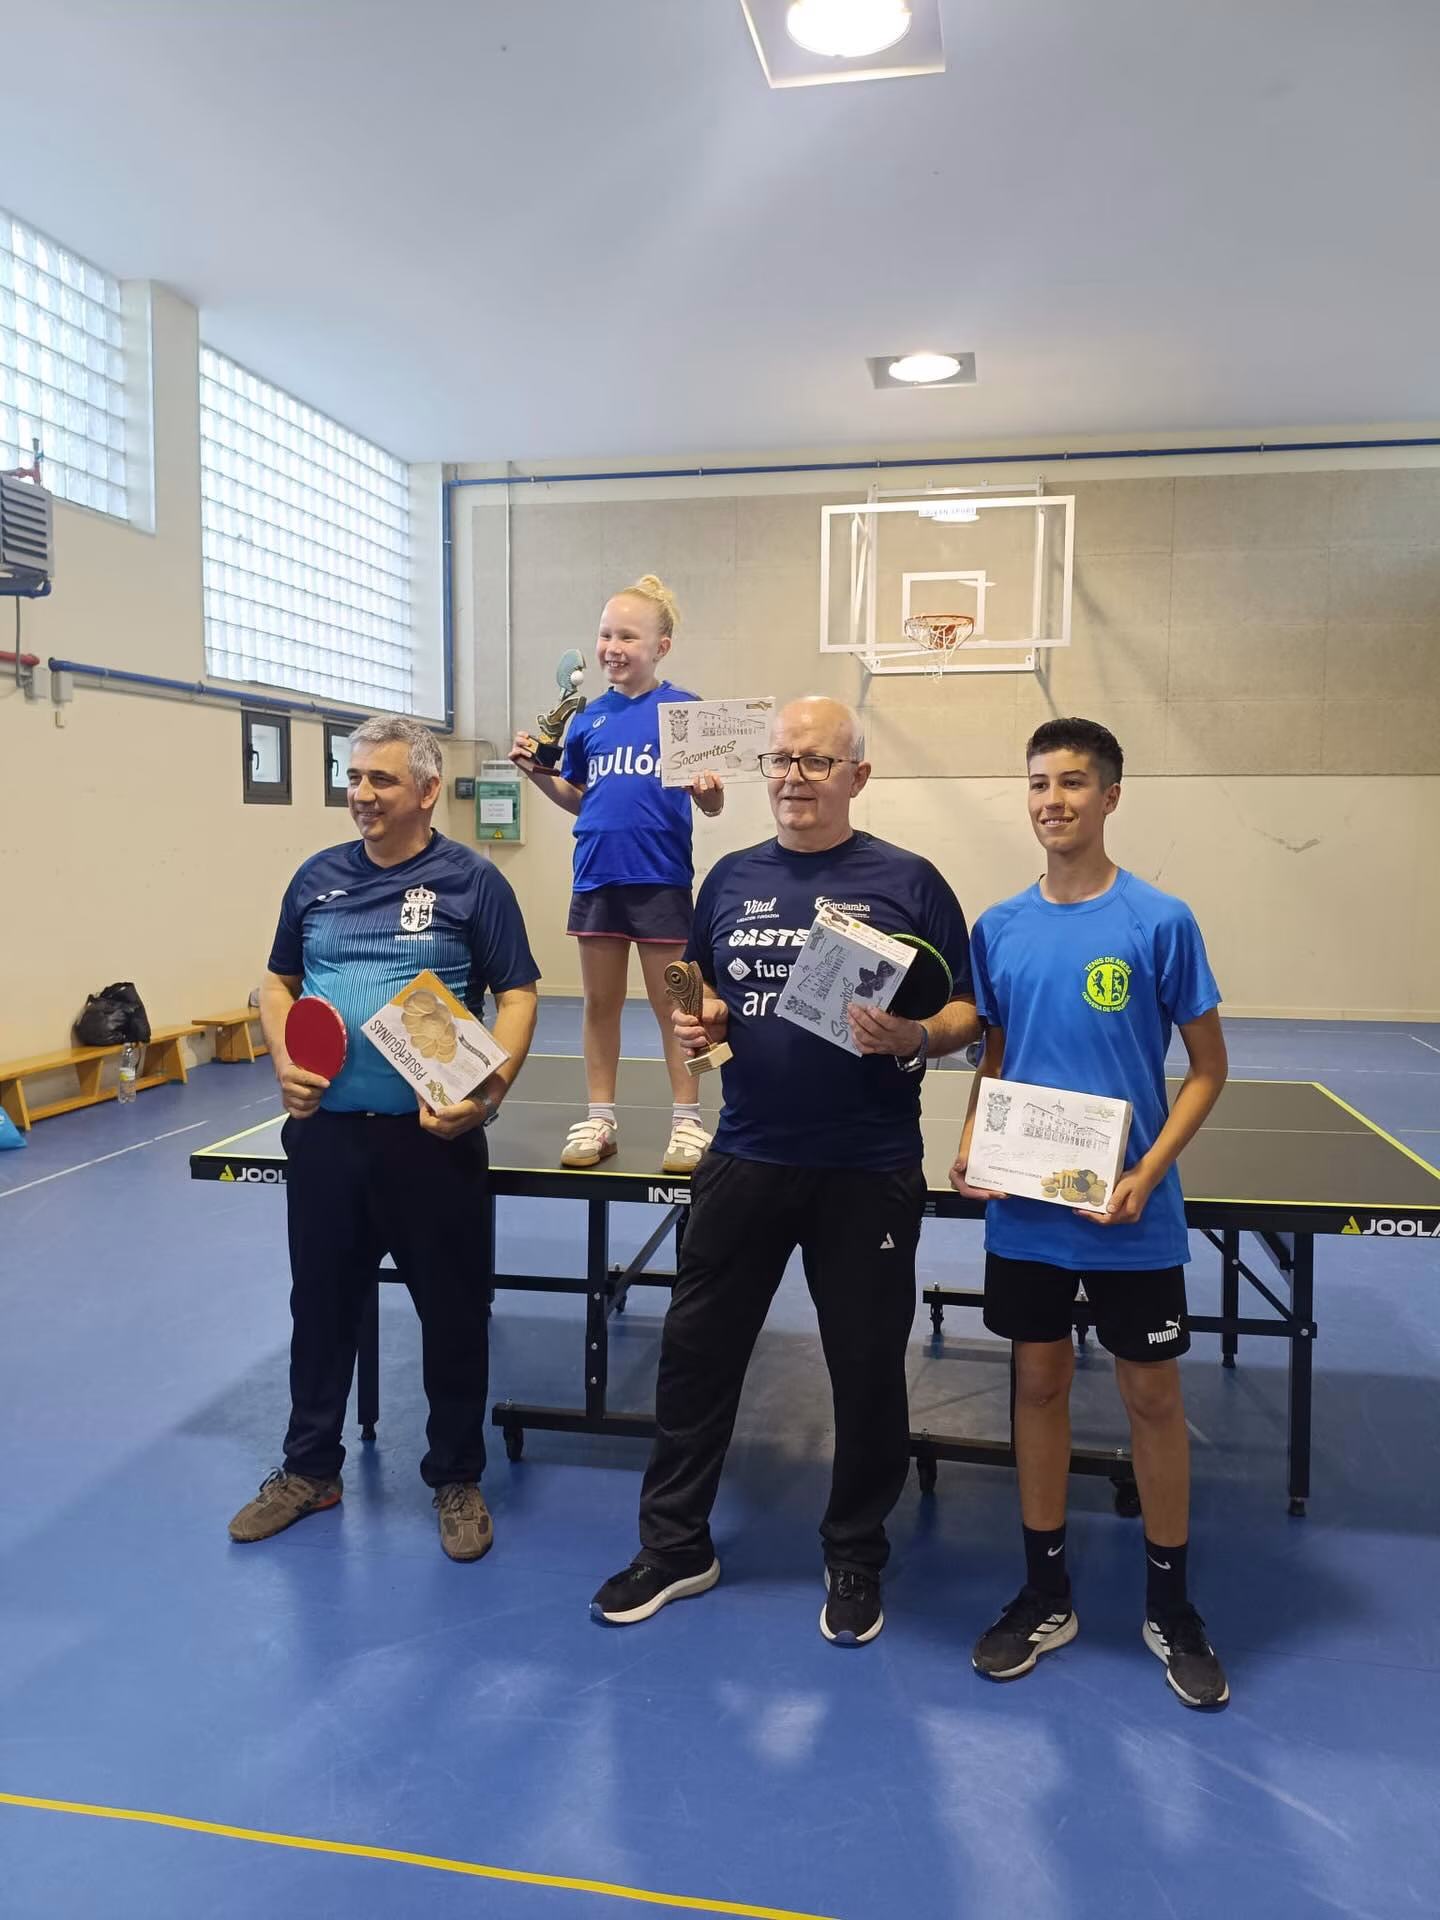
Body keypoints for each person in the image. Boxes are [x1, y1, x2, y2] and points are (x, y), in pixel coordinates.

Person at [591, 697, 980, 1645]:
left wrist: (919, 1033)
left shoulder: (910, 880)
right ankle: (677, 1545)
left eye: (817, 760)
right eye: (782, 760)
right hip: (746, 1155)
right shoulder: (729, 876)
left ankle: (854, 1555)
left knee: (865, 1371)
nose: (795, 776)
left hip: (868, 1166)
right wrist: (699, 1015)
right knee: (696, 1357)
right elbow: (688, 974)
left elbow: (971, 1013)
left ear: (857, 776)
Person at [950, 716, 1231, 1708]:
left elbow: (1207, 1069)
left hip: (1130, 1213)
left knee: (1154, 1400)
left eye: (1072, 783)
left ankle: (1171, 1605)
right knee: (1037, 1387)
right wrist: (976, 1141)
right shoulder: (999, 928)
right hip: (1028, 1213)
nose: (1051, 801)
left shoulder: (1160, 921)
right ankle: (1044, 1591)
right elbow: (994, 1050)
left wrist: (1148, 1172)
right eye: (1037, 783)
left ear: (1111, 796)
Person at [228, 716, 539, 1562]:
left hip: (430, 1142)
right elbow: (278, 981)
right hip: (327, 1137)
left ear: (428, 791)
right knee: (320, 1307)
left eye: (382, 781)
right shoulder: (315, 880)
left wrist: (490, 1091)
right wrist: (285, 1055)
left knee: (452, 1311)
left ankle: (456, 1476)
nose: (361, 795)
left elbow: (516, 993)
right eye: (353, 777)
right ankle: (308, 1470)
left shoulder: (474, 883)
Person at [510, 576, 724, 1175]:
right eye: (606, 634)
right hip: (596, 879)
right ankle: (599, 1117)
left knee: (676, 1007)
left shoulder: (683, 711)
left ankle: (688, 1122)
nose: (613, 646)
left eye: (628, 635)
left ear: (662, 646)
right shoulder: (586, 721)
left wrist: (708, 794)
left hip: (660, 880)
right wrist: (535, 774)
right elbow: (581, 797)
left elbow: (710, 804)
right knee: (599, 1003)